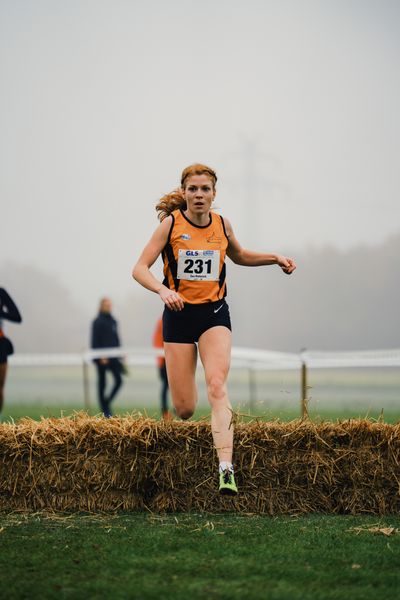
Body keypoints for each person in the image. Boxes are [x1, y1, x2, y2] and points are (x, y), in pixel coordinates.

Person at [132, 163, 296, 495]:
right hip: (178, 315)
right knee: (185, 408)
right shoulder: (170, 226)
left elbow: (240, 255)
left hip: (214, 314)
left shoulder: (222, 225)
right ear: (184, 193)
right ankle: (200, 427)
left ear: (214, 194)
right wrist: (163, 290)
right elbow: (139, 268)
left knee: (217, 385)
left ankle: (226, 468)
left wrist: (274, 257)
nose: (199, 195)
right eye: (193, 189)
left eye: (205, 189)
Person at [91, 297, 124, 418]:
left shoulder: (114, 321)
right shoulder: (97, 322)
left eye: (110, 304)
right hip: (102, 358)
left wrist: (120, 353)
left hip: (114, 356)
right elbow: (94, 340)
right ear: (101, 306)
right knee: (102, 383)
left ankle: (106, 402)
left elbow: (116, 339)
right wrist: (100, 355)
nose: (109, 307)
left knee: (119, 381)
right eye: (106, 305)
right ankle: (105, 410)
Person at [0, 288, 23, 415]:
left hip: (0, 344)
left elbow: (17, 317)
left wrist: (1, 313)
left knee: (0, 388)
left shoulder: (1, 293)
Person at [152, 316, 171, 420]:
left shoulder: (162, 320)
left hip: (166, 359)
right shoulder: (162, 321)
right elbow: (158, 341)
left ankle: (168, 411)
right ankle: (165, 412)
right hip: (164, 361)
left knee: (168, 387)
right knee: (166, 386)